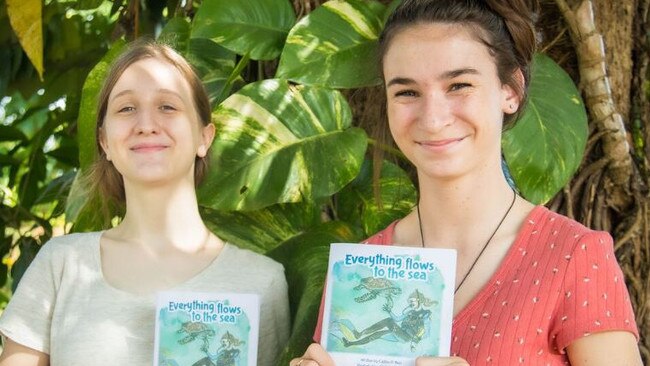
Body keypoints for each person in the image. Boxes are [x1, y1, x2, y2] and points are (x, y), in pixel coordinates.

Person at [291, 0, 642, 365]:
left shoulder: (574, 257)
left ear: (511, 91)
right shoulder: (358, 272)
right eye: (407, 92)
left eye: (459, 85)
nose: (433, 117)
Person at [0, 41, 290, 366]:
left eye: (168, 106)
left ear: (204, 138)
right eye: (126, 108)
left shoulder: (263, 282)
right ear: (104, 142)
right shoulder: (61, 265)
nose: (146, 124)